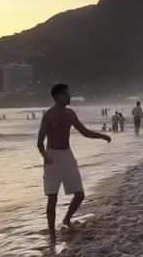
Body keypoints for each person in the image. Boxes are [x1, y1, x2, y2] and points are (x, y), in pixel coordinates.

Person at [37, 84, 111, 242]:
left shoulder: (70, 114)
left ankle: (66, 219)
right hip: (52, 156)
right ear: (57, 97)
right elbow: (39, 142)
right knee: (52, 197)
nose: (69, 97)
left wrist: (102, 136)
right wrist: (45, 155)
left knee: (80, 193)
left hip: (67, 155)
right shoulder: (48, 115)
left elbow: (84, 132)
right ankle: (52, 234)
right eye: (66, 94)